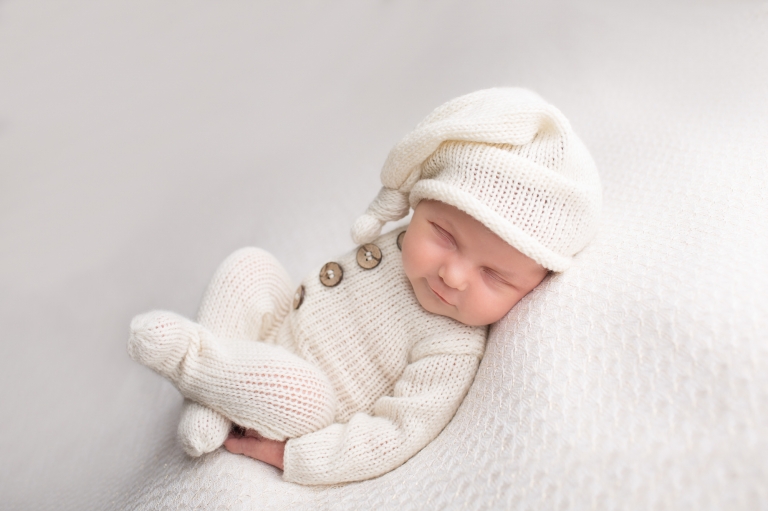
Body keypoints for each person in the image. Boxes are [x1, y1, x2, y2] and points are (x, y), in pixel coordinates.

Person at [127, 87, 602, 485]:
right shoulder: (396, 244)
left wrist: (295, 457)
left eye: (494, 276)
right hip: (277, 334)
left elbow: (394, 432)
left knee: (300, 392)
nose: (453, 276)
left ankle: (190, 360)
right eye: (444, 235)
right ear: (418, 205)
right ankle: (211, 401)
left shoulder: (450, 347)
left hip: (305, 402)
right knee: (250, 266)